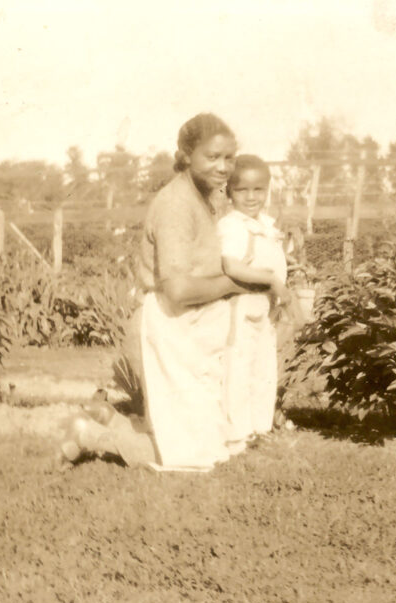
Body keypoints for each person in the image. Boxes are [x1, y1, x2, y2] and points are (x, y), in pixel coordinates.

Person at [60, 113, 265, 470]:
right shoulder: (175, 203)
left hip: (195, 329)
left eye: (229, 157)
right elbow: (178, 292)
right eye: (212, 157)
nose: (223, 167)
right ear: (186, 155)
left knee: (214, 442)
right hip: (168, 329)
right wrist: (241, 283)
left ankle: (108, 417)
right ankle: (89, 435)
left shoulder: (211, 197)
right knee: (192, 459)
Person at [217, 155, 302, 452]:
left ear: (267, 190)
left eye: (258, 190)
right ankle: (237, 435)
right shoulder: (232, 225)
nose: (251, 197)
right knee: (237, 367)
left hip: (263, 307)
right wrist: (272, 281)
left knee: (263, 368)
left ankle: (259, 427)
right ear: (229, 192)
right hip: (240, 306)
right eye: (242, 190)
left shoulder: (264, 225)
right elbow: (232, 266)